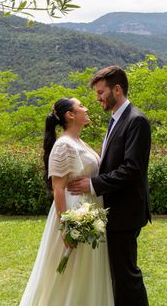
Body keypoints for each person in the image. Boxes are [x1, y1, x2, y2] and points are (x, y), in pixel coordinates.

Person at [68, 65, 152, 306]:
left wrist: (93, 185)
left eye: (101, 92)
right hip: (115, 210)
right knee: (118, 274)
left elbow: (132, 169)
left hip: (126, 211)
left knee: (126, 275)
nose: (98, 98)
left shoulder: (137, 120)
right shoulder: (116, 119)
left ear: (117, 89)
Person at [19, 97, 114, 306]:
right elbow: (58, 187)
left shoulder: (79, 142)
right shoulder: (63, 145)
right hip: (73, 213)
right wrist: (65, 225)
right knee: (71, 270)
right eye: (81, 106)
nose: (86, 108)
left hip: (90, 211)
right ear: (70, 115)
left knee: (87, 269)